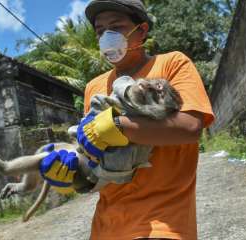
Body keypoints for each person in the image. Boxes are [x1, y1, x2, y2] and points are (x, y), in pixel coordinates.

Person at [42, 0, 215, 239]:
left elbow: (190, 127)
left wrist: (118, 126)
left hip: (163, 224)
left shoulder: (172, 64)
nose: (107, 36)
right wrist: (73, 177)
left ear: (141, 31)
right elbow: (100, 164)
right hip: (106, 227)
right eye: (100, 31)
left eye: (117, 27)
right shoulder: (94, 87)